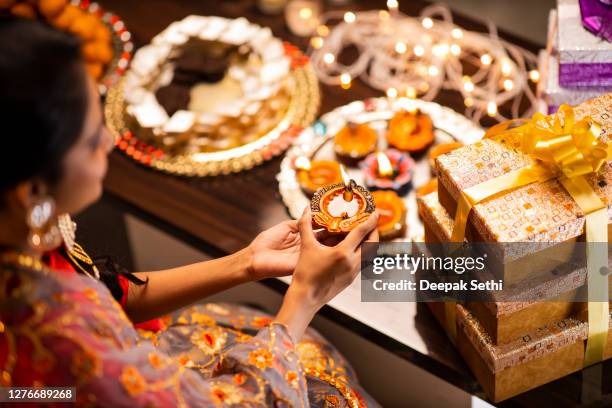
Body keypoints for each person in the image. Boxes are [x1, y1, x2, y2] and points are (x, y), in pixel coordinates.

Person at [0, 16, 380, 407]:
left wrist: (248, 262)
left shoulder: (21, 233)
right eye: (92, 136)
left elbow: (109, 296)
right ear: (30, 190)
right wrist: (306, 295)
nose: (111, 141)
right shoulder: (60, 348)